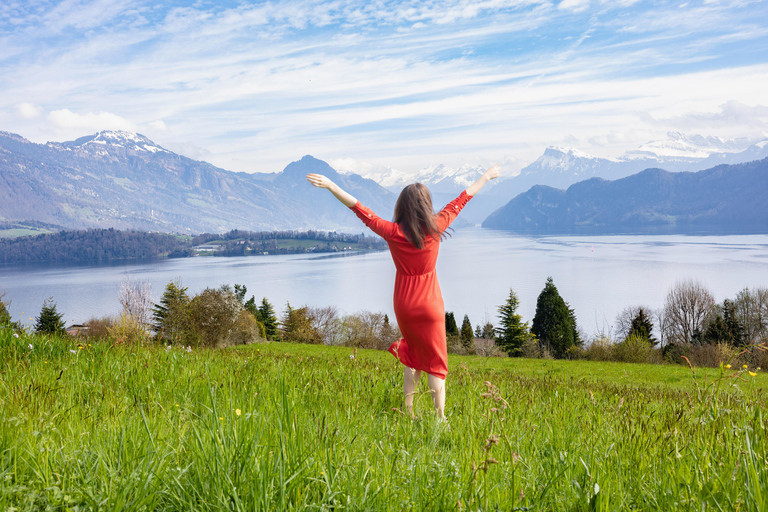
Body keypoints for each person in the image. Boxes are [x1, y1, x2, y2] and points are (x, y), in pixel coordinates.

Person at [307, 164, 501, 419]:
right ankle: (440, 418)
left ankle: (408, 412)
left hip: (404, 304)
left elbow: (360, 209)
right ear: (426, 205)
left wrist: (331, 186)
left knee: (412, 353)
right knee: (435, 362)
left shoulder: (393, 232)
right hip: (430, 303)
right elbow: (462, 199)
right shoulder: (437, 226)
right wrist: (486, 176)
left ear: (402, 207)